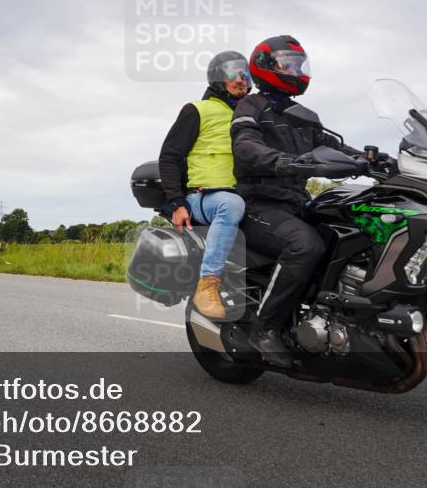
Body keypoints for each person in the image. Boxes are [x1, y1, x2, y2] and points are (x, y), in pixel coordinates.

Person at [231, 35, 369, 367]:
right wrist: (282, 161)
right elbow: (245, 145)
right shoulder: (252, 105)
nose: (295, 70)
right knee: (304, 245)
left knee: (353, 233)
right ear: (265, 66)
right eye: (287, 64)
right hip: (259, 204)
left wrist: (373, 160)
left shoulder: (304, 115)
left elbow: (335, 147)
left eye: (298, 65)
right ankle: (264, 329)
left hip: (297, 203)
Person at [158, 51, 252, 320]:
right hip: (205, 198)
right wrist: (177, 203)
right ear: (217, 78)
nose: (241, 79)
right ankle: (207, 283)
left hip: (246, 195)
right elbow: (170, 156)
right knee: (230, 203)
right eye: (233, 73)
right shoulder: (197, 110)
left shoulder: (251, 115)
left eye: (245, 73)